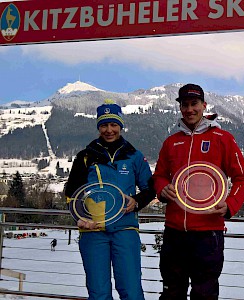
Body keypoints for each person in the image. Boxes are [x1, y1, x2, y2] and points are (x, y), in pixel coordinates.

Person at [153, 83, 244, 300]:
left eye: (194, 104)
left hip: (208, 233)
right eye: (185, 104)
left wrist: (231, 204)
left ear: (204, 105)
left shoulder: (222, 138)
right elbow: (159, 176)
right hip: (175, 231)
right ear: (180, 108)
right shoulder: (171, 142)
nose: (189, 109)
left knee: (204, 294)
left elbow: (243, 179)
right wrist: (162, 189)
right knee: (172, 292)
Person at [65, 99, 155, 300]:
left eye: (113, 124)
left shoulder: (134, 156)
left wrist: (137, 201)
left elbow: (150, 189)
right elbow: (72, 193)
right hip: (93, 231)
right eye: (104, 125)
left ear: (120, 126)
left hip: (125, 230)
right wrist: (78, 218)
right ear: (98, 127)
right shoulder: (86, 156)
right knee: (98, 293)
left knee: (131, 291)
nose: (109, 130)